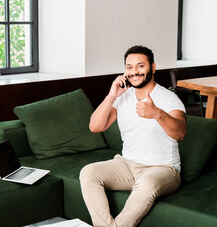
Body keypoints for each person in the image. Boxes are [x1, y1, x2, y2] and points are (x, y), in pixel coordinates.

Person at [79, 45, 187, 227]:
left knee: (146, 183)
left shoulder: (168, 98)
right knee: (88, 172)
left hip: (163, 169)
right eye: (129, 67)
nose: (134, 72)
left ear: (152, 67)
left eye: (140, 66)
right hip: (127, 164)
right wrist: (112, 95)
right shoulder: (123, 97)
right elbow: (95, 126)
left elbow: (181, 133)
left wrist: (157, 114)